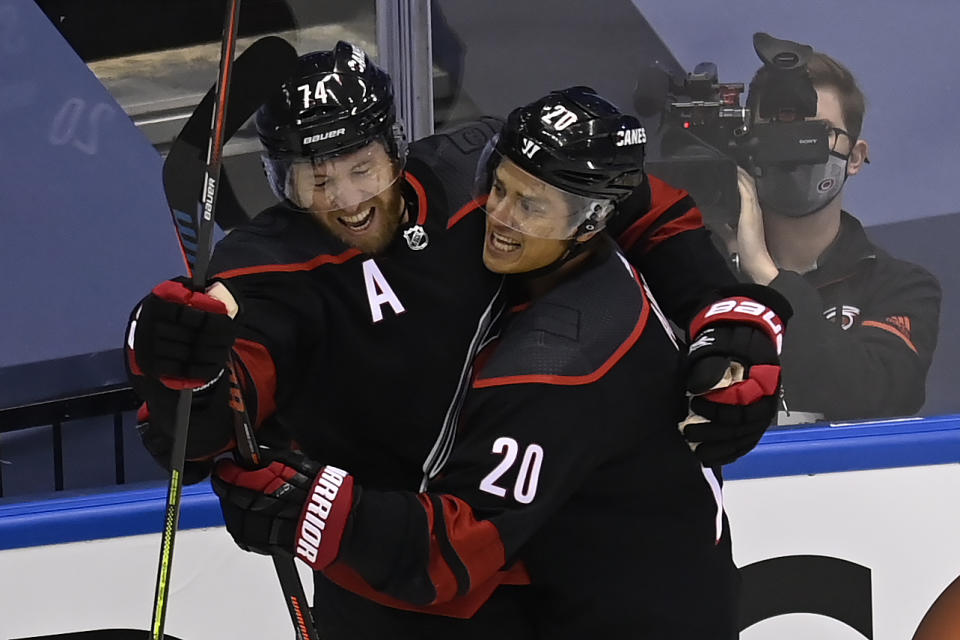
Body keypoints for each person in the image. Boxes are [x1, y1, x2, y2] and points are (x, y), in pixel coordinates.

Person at [124, 42, 787, 635]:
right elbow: (206, 424)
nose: (349, 201)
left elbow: (639, 202)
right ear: (279, 180)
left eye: (362, 169)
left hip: (574, 554)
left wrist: (728, 318)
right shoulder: (263, 269)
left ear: (395, 143)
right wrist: (184, 368)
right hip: (397, 570)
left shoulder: (482, 171)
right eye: (316, 181)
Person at [726, 40, 940, 423]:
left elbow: (879, 396)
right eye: (777, 133)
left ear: (855, 157)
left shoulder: (901, 286)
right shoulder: (701, 275)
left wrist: (768, 276)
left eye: (815, 133)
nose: (794, 151)